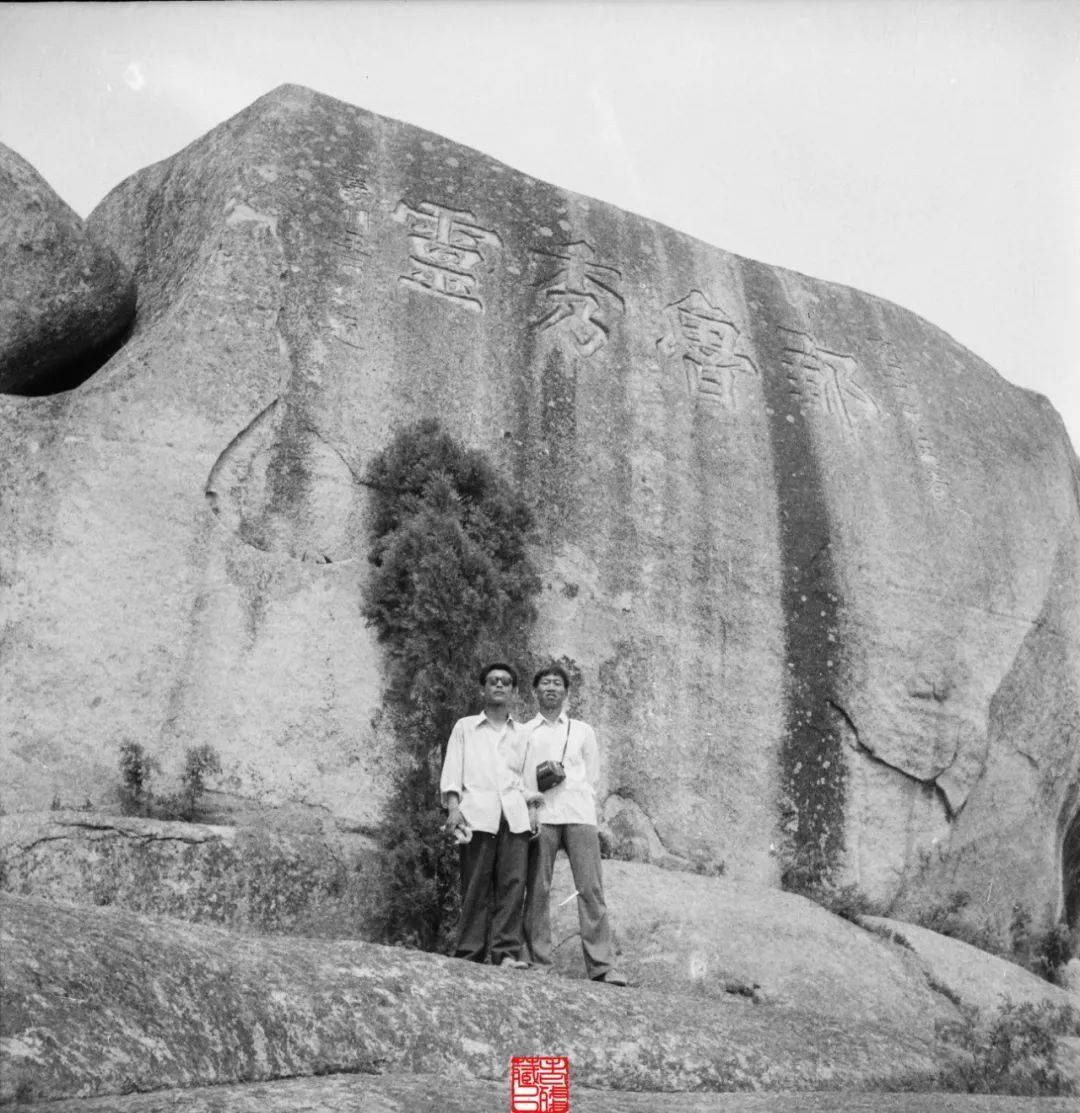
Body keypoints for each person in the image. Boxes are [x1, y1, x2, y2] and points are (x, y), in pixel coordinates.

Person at [523, 664, 626, 985]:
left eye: (557, 683)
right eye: (545, 683)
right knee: (537, 889)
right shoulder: (525, 731)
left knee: (591, 888)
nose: (551, 688)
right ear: (535, 691)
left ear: (566, 693)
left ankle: (602, 967)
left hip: (580, 815)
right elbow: (521, 775)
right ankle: (538, 961)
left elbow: (592, 774)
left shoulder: (582, 730)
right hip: (543, 816)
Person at [440, 662, 534, 968]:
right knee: (474, 887)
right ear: (484, 688)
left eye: (506, 682)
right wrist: (453, 808)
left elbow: (529, 777)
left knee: (512, 888)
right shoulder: (465, 727)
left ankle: (506, 954)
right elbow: (453, 769)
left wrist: (532, 812)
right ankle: (469, 953)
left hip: (514, 818)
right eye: (493, 681)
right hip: (476, 816)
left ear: (513, 691)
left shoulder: (522, 733)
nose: (499, 685)